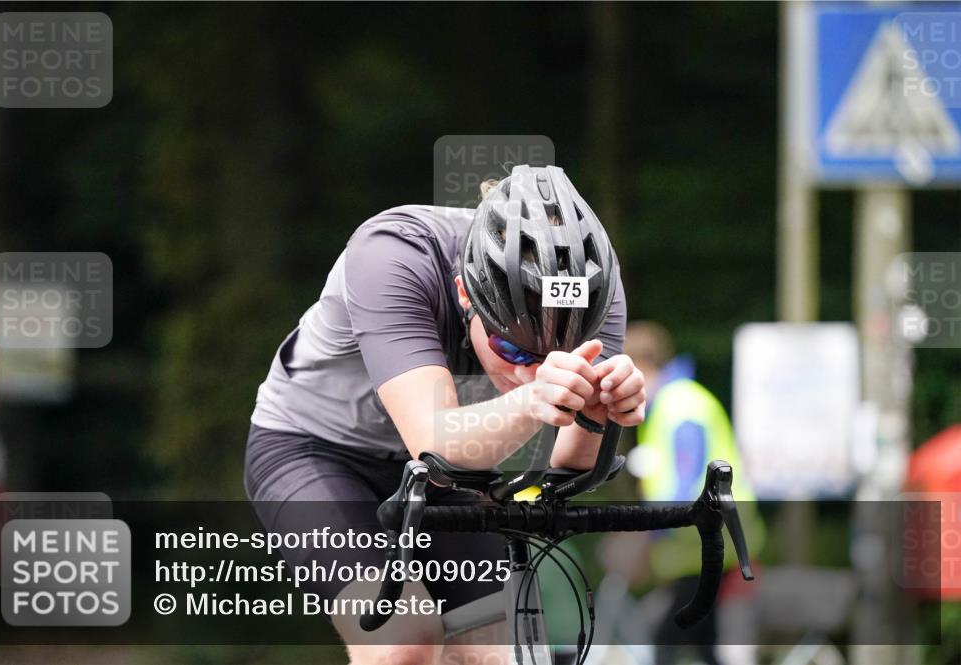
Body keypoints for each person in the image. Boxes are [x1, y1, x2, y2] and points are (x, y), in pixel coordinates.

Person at [245, 165, 646, 665]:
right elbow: (435, 444)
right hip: (315, 451)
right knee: (402, 641)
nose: (530, 372)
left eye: (553, 356)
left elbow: (565, 466)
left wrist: (598, 413)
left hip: (453, 468)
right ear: (464, 295)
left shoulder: (592, 284)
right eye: (515, 350)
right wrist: (537, 396)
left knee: (496, 653)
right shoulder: (391, 254)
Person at [623, 321, 762, 665]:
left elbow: (688, 486)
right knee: (703, 643)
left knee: (666, 640)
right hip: (709, 547)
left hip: (705, 548)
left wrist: (649, 537)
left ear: (640, 367)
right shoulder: (677, 403)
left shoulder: (679, 406)